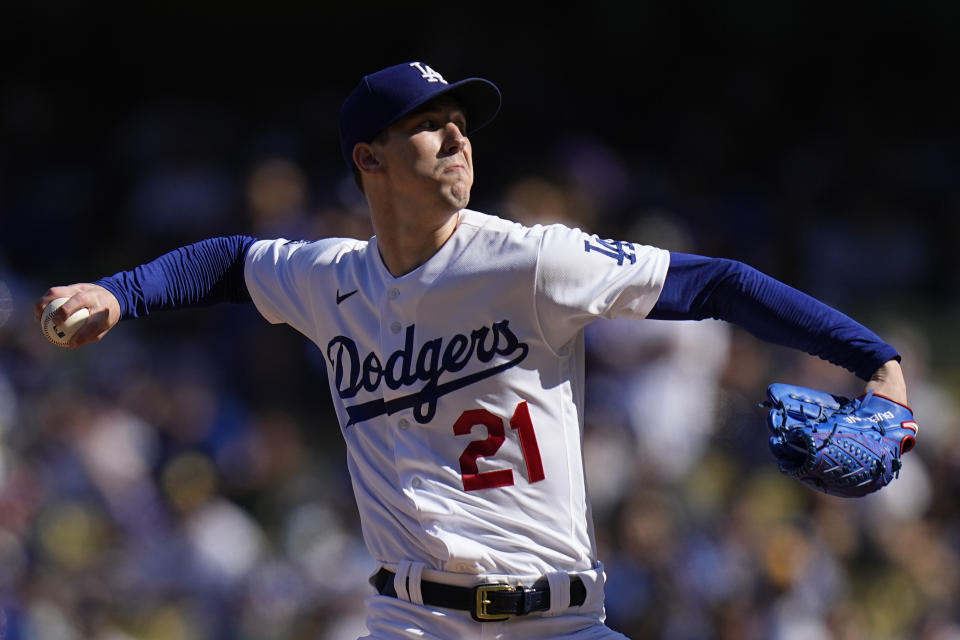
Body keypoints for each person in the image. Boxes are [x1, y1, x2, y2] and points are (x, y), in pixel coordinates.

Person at [35, 61, 908, 640]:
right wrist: (122, 291)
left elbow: (714, 281)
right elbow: (228, 261)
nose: (458, 139)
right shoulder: (328, 277)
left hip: (559, 621)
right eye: (431, 126)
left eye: (461, 122)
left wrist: (876, 361)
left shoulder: (529, 259)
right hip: (410, 621)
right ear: (369, 161)